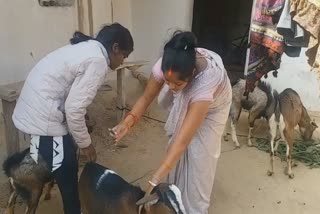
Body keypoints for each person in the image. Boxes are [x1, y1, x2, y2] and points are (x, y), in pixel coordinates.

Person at [12, 23, 134, 214]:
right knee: (67, 168)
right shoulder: (98, 61)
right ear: (115, 48)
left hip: (34, 108)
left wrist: (80, 123)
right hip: (42, 116)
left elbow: (72, 96)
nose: (122, 61)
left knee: (65, 154)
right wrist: (87, 144)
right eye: (124, 56)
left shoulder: (88, 48)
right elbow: (74, 108)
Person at [111, 31, 232, 214]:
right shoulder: (167, 66)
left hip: (215, 107)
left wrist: (155, 178)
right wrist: (126, 123)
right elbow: (145, 98)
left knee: (201, 159)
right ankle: (176, 200)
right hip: (192, 91)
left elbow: (182, 142)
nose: (170, 87)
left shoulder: (206, 82)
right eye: (167, 82)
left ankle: (195, 209)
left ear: (191, 75)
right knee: (175, 153)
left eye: (177, 85)